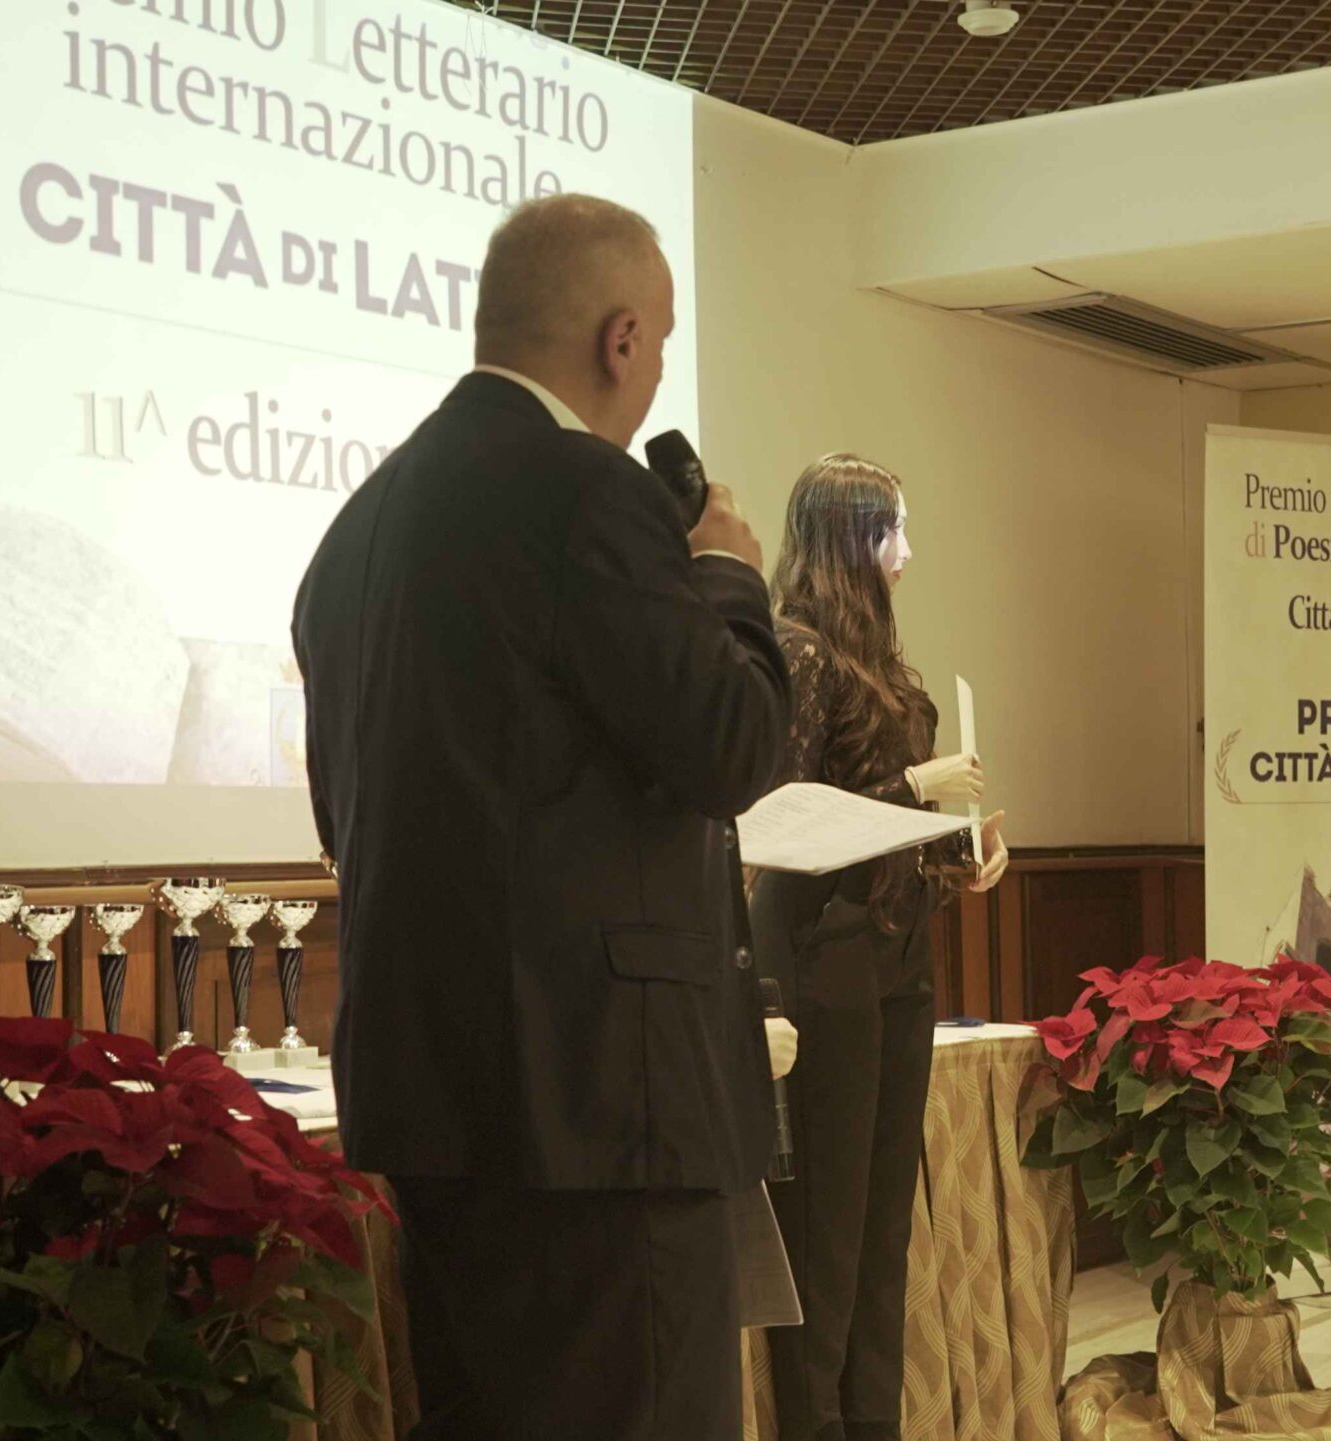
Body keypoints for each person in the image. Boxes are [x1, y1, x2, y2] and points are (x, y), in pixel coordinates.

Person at [290, 193, 796, 1441]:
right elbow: (732, 746)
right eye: (660, 342)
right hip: (601, 1102)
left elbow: (344, 813)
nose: (656, 368)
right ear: (621, 340)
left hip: (433, 1094)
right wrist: (729, 578)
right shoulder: (586, 493)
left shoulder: (355, 530)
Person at [751, 454, 1008, 1441]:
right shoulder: (796, 651)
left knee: (882, 1234)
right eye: (893, 528)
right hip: (820, 959)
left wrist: (960, 852)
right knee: (828, 1234)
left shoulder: (883, 667)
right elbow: (781, 818)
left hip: (895, 957)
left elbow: (886, 834)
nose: (907, 551)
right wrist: (917, 788)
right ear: (848, 538)